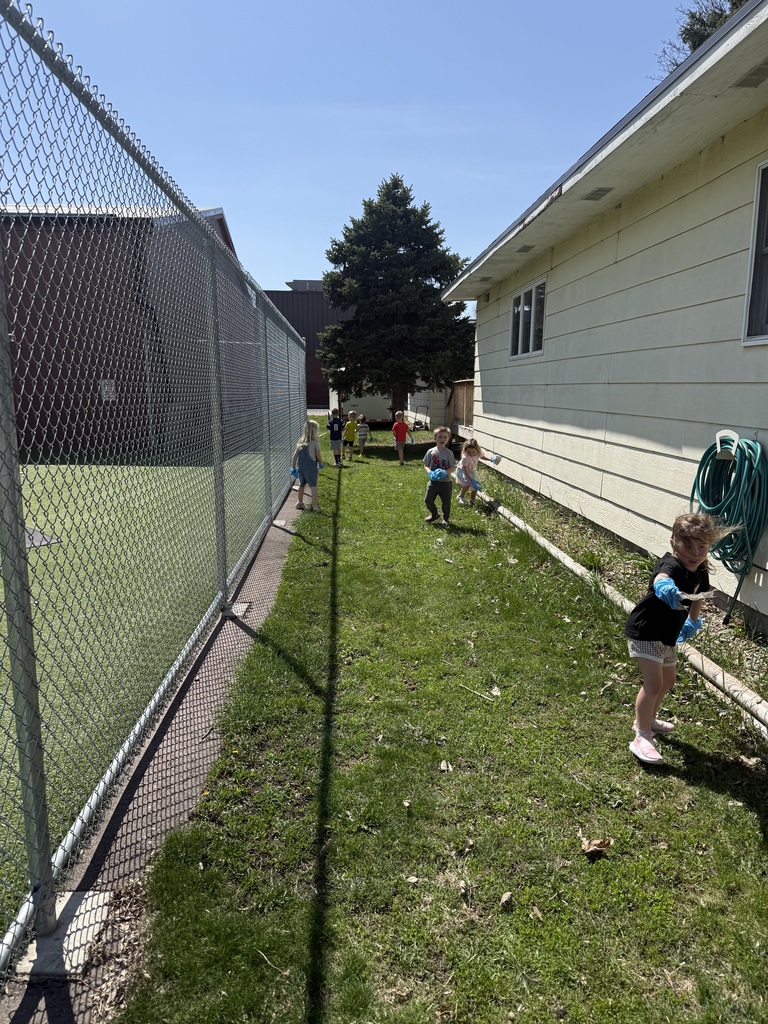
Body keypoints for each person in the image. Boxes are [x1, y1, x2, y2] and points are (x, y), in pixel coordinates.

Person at [624, 511, 729, 765]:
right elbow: (663, 576)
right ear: (673, 542)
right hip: (646, 630)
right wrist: (663, 587)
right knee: (654, 684)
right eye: (687, 545)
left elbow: (699, 595)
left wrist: (693, 620)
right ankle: (641, 735)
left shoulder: (700, 569)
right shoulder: (671, 564)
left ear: (709, 545)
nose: (694, 552)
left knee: (668, 680)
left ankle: (647, 719)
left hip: (667, 635)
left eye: (701, 546)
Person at [423, 426, 456, 525]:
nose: (442, 439)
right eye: (440, 437)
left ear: (448, 439)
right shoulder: (431, 452)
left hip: (445, 483)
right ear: (435, 438)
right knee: (428, 500)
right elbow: (426, 465)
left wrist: (445, 472)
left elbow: (453, 467)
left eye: (445, 437)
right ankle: (435, 514)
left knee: (446, 503)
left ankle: (445, 519)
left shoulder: (449, 453)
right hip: (433, 482)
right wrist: (430, 473)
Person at [291, 419, 323, 511]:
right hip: (311, 468)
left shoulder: (300, 442)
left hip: (301, 468)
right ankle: (315, 505)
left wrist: (293, 468)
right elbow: (318, 456)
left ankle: (300, 502)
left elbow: (294, 456)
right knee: (313, 486)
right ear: (315, 431)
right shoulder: (314, 443)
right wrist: (320, 464)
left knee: (301, 485)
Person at [455, 438, 494, 505]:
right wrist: (472, 480)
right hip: (462, 471)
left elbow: (482, 457)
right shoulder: (465, 457)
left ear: (477, 449)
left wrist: (490, 459)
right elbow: (466, 471)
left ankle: (472, 502)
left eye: (473, 452)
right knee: (467, 484)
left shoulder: (478, 452)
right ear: (466, 450)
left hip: (472, 471)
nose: (471, 454)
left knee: (475, 486)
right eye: (469, 452)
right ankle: (460, 496)